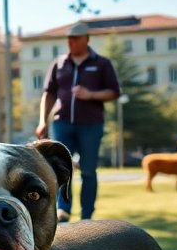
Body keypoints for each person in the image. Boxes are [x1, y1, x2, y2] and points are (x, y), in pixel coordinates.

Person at [35, 22, 121, 221]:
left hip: (91, 125)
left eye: (75, 39)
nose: (71, 42)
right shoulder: (59, 63)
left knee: (88, 171)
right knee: (60, 168)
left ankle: (87, 215)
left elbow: (114, 92)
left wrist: (91, 94)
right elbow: (49, 94)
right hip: (62, 123)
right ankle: (63, 209)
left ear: (86, 39)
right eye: (69, 39)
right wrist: (42, 121)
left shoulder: (101, 63)